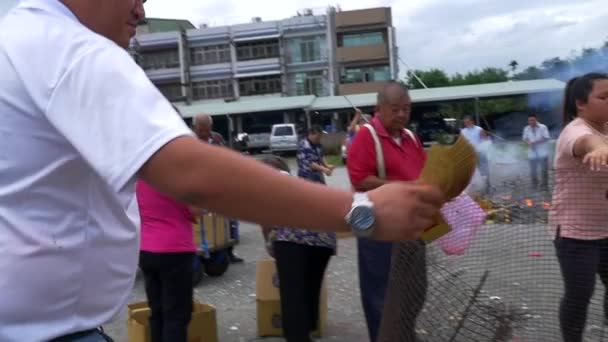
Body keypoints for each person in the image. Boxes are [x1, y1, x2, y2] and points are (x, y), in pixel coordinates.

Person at [0, 1, 444, 341]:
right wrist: (361, 211)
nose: (142, 9)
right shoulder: (68, 49)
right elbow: (191, 174)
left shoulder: (15, 39)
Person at [347, 82, 428, 342]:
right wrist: (402, 187)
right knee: (380, 294)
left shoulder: (411, 137)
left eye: (407, 109)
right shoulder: (367, 135)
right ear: (378, 109)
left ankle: (404, 334)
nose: (402, 115)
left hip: (411, 226)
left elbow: (423, 175)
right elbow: (359, 178)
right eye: (395, 109)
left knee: (415, 290)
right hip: (377, 227)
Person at [549, 72, 608, 342]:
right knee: (580, 295)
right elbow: (587, 142)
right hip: (575, 233)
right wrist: (598, 148)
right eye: (604, 97)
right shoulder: (576, 131)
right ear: (581, 104)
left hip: (605, 228)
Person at [260, 155, 334, 342]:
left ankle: (298, 336)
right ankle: (308, 330)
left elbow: (265, 217)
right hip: (324, 238)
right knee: (310, 286)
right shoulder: (298, 181)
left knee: (292, 292)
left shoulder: (267, 181)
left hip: (292, 237)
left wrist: (269, 243)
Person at [137, 178, 202, 342]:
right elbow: (196, 209)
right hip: (175, 249)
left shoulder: (139, 180)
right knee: (176, 314)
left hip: (146, 248)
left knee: (156, 311)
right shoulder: (175, 180)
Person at [192, 113, 244, 263]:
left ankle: (228, 251)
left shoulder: (217, 139)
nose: (204, 133)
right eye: (201, 130)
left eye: (207, 130)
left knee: (228, 219)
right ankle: (204, 249)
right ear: (194, 128)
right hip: (199, 188)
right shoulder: (188, 142)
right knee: (203, 220)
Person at [461, 115, 490, 190]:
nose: (466, 124)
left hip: (480, 152)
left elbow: (486, 141)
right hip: (469, 153)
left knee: (483, 168)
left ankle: (486, 185)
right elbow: (461, 143)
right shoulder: (463, 131)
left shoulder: (479, 129)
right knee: (472, 170)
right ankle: (475, 185)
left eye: (468, 122)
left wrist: (481, 148)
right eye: (465, 123)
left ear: (472, 121)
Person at [522, 113, 551, 189]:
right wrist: (529, 143)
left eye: (533, 120)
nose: (531, 122)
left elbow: (546, 137)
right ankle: (534, 185)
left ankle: (545, 185)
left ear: (536, 119)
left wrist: (534, 142)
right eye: (530, 120)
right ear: (528, 121)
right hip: (532, 153)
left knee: (544, 170)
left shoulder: (543, 127)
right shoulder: (526, 128)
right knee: (533, 171)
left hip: (543, 152)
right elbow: (525, 138)